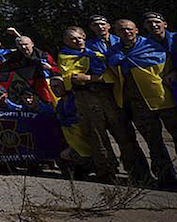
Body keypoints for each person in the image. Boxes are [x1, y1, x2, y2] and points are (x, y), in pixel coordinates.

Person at [56, 26, 146, 182]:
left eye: (79, 37)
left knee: (124, 134)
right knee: (97, 138)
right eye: (73, 39)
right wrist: (94, 76)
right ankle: (107, 172)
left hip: (108, 96)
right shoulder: (65, 56)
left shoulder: (97, 53)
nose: (77, 41)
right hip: (85, 99)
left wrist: (91, 78)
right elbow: (73, 78)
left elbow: (111, 74)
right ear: (65, 41)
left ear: (84, 37)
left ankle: (139, 173)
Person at [108, 19, 177, 185]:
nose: (126, 32)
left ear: (137, 30)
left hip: (163, 99)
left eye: (129, 29)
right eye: (122, 30)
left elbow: (170, 65)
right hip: (138, 104)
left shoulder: (155, 45)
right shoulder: (112, 53)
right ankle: (166, 178)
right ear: (116, 33)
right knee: (154, 143)